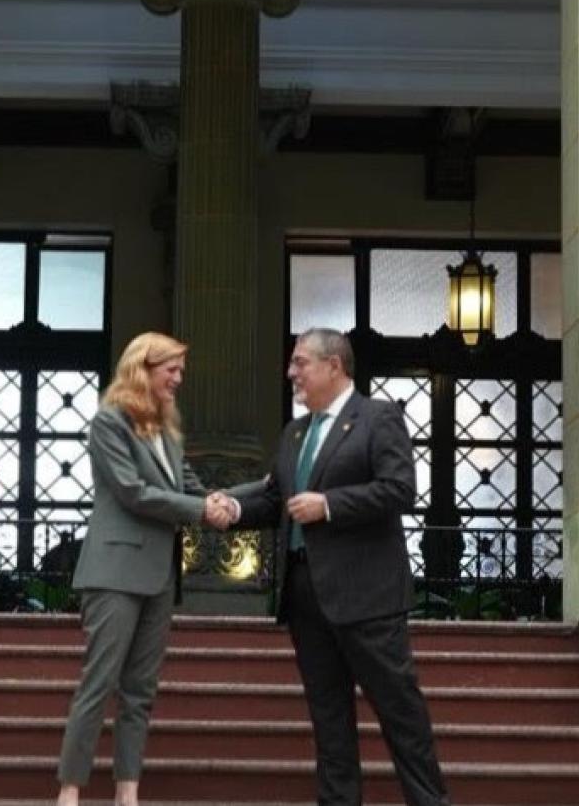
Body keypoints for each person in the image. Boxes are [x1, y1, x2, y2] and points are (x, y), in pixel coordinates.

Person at [217, 328, 449, 806]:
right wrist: (236, 512)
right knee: (328, 720)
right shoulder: (295, 432)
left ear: (334, 366)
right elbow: (278, 500)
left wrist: (331, 504)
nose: (291, 373)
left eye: (300, 362)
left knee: (400, 714)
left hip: (368, 598)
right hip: (306, 597)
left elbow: (400, 489)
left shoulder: (378, 418)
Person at [55, 332, 232, 806]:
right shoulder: (109, 423)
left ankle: (126, 791)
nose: (178, 379)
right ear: (143, 368)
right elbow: (133, 492)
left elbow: (190, 486)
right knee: (100, 682)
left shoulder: (166, 432)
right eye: (170, 369)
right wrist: (201, 511)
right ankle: (70, 791)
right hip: (113, 571)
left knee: (141, 690)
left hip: (158, 575)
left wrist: (228, 503)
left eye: (179, 370)